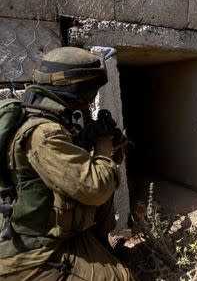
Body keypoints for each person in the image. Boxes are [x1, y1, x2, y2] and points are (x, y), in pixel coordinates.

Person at [0, 47, 137, 280]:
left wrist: (107, 140)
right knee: (122, 278)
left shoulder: (54, 117)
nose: (92, 100)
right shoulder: (45, 133)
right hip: (34, 253)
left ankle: (98, 248)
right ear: (79, 91)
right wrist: (103, 150)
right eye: (91, 93)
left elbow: (83, 137)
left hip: (61, 232)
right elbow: (94, 189)